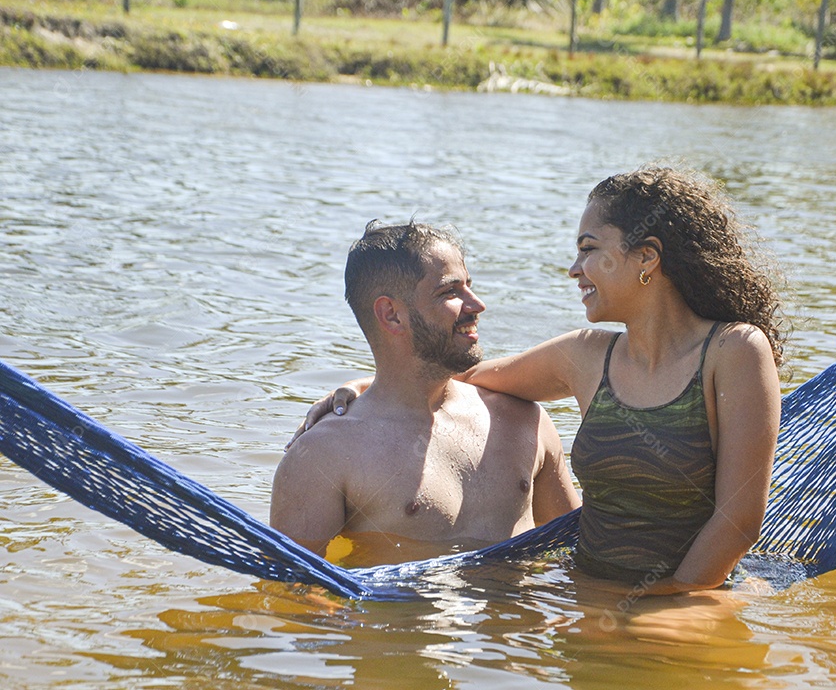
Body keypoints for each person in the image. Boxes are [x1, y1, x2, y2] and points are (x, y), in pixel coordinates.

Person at [297, 168, 783, 593]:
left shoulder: (734, 350)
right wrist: (366, 388)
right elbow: (451, 366)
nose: (574, 270)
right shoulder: (585, 355)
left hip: (683, 601)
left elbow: (739, 519)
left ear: (646, 258)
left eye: (588, 250)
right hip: (589, 593)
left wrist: (667, 602)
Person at [270, 221, 580, 562]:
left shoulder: (523, 422)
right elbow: (292, 590)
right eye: (450, 292)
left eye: (469, 287)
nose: (477, 305)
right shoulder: (322, 455)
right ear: (391, 315)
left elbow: (576, 551)